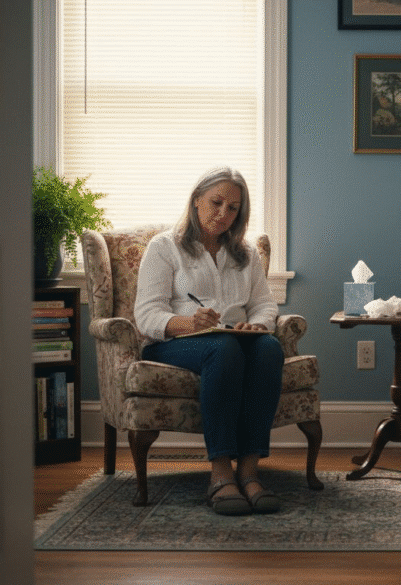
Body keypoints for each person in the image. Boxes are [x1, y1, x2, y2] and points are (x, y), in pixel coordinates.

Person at [134, 167, 283, 516]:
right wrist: (187, 322)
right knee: (223, 348)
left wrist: (256, 326)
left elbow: (264, 305)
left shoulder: (245, 253)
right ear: (197, 200)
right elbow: (146, 315)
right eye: (216, 202)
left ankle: (249, 472)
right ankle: (220, 474)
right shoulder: (164, 247)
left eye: (233, 208)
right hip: (175, 344)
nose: (223, 214)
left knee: (268, 348)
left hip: (231, 340)